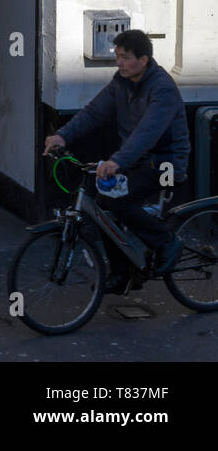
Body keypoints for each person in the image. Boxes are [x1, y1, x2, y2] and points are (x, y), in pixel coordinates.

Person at [43, 29, 190, 295]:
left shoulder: (162, 89)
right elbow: (93, 112)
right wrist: (62, 136)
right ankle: (124, 273)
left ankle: (167, 242)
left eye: (125, 57)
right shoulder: (120, 83)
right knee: (103, 207)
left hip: (164, 163)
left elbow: (148, 133)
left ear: (143, 60)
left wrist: (117, 161)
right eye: (117, 56)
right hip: (135, 161)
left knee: (118, 201)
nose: (119, 62)